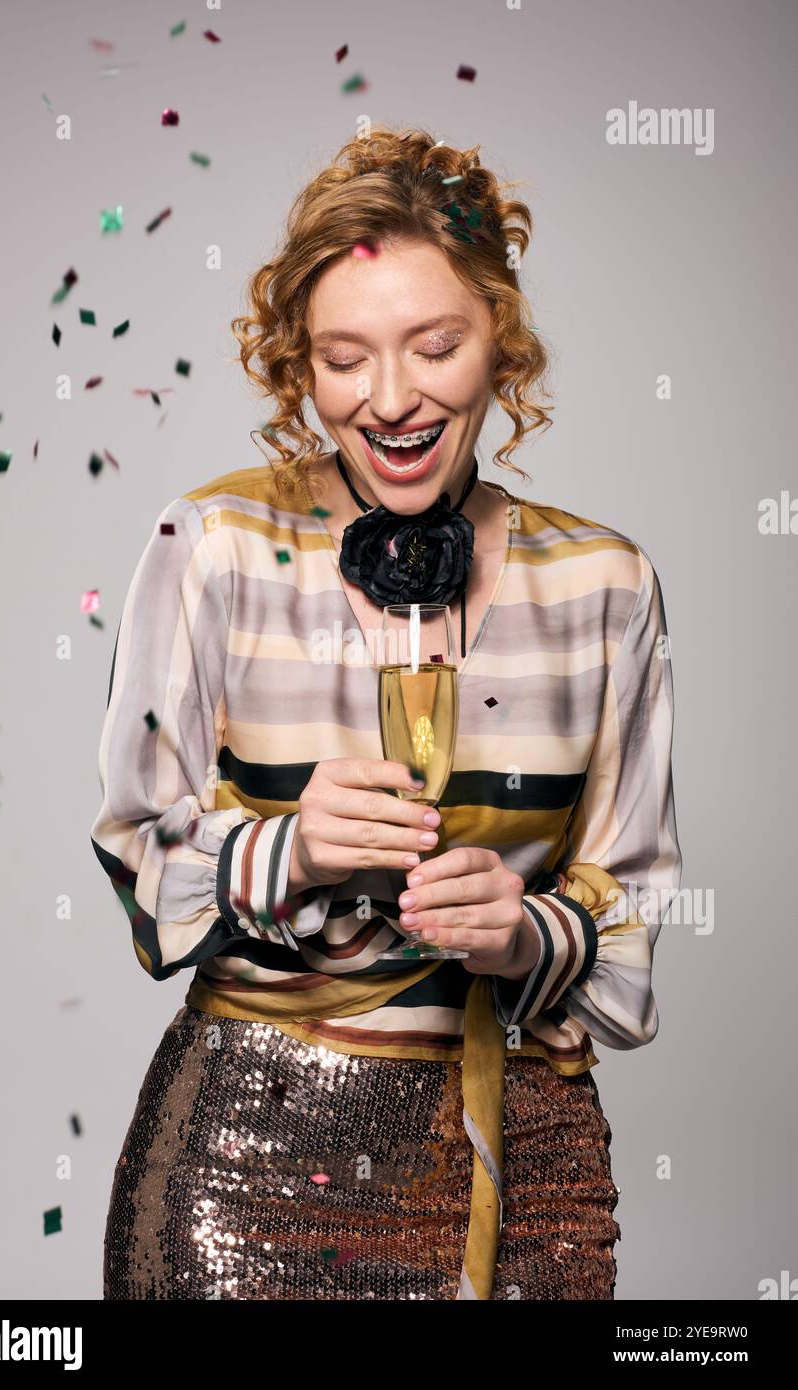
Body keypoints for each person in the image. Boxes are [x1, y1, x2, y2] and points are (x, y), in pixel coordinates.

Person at [91, 126, 681, 1301]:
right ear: (296, 365)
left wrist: (523, 937)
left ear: (500, 342)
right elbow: (140, 860)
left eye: (436, 345)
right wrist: (288, 849)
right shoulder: (213, 546)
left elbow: (633, 924)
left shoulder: (607, 584)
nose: (392, 398)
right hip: (251, 1161)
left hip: (524, 1169)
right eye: (344, 357)